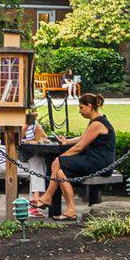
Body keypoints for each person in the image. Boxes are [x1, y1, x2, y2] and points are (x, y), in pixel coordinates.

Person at [33, 92, 116, 220]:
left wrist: (60, 158)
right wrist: (67, 141)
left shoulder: (97, 124)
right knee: (60, 173)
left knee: (60, 163)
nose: (80, 111)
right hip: (93, 160)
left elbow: (79, 147)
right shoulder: (95, 121)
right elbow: (83, 138)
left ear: (89, 106)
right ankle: (71, 210)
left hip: (100, 163)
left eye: (81, 107)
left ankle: (47, 197)